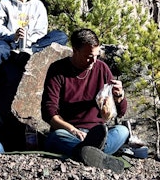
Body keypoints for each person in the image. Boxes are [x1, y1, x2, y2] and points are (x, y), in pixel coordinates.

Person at [41, 28, 140, 171]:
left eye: (96, 56)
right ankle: (95, 153)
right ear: (75, 50)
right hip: (70, 131)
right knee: (56, 137)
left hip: (98, 132)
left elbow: (120, 112)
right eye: (88, 56)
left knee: (122, 131)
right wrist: (73, 130)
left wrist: (119, 96)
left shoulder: (101, 68)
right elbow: (49, 112)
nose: (93, 61)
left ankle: (85, 152)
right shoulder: (58, 70)